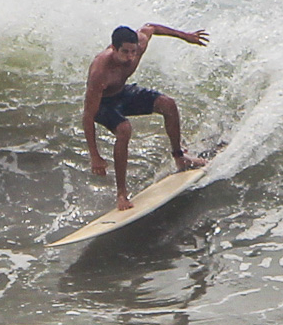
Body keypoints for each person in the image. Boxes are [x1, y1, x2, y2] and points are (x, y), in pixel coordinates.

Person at [82, 23, 209, 210]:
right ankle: (122, 194)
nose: (130, 57)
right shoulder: (100, 71)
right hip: (103, 104)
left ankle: (179, 157)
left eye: (133, 52)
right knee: (124, 129)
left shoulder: (139, 43)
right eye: (125, 52)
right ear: (113, 48)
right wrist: (95, 155)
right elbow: (88, 115)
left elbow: (152, 28)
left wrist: (186, 36)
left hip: (122, 93)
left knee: (168, 104)